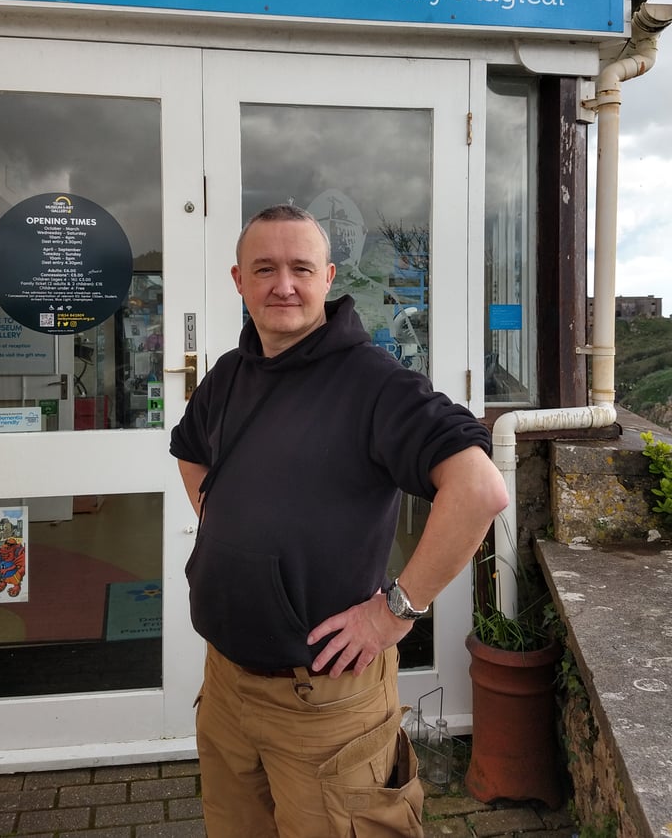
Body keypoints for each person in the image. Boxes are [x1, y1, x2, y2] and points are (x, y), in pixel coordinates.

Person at [170, 204, 508, 838]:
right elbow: (189, 450)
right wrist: (219, 522)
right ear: (238, 280)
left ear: (328, 277)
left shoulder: (375, 384)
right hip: (226, 689)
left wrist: (395, 611)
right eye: (264, 269)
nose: (283, 285)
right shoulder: (231, 373)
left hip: (324, 704)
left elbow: (479, 489)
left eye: (300, 268)